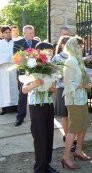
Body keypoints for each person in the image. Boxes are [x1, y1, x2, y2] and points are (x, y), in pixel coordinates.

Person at [22, 42, 59, 173]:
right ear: (41, 52)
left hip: (48, 103)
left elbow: (52, 88)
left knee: (49, 135)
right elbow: (24, 90)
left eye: (52, 51)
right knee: (40, 137)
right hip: (36, 105)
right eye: (49, 51)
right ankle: (39, 168)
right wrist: (35, 84)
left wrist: (52, 89)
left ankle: (46, 164)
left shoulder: (50, 67)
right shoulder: (30, 67)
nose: (52, 53)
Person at [61, 37, 92, 170]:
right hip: (74, 100)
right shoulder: (70, 61)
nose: (81, 48)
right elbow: (68, 84)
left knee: (83, 125)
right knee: (73, 129)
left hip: (82, 99)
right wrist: (85, 85)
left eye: (81, 46)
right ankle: (66, 158)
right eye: (79, 46)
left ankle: (78, 151)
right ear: (72, 47)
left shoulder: (79, 61)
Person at [13, 25, 39, 126]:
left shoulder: (37, 43)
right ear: (24, 34)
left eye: (33, 33)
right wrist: (29, 58)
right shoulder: (17, 43)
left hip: (36, 71)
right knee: (22, 94)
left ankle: (37, 115)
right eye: (30, 33)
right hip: (23, 73)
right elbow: (16, 58)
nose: (33, 35)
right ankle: (20, 116)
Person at [52, 36, 70, 142]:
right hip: (62, 88)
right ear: (62, 45)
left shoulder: (75, 57)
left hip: (74, 89)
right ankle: (66, 135)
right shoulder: (57, 58)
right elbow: (55, 75)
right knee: (65, 115)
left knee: (73, 115)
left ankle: (73, 136)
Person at [0, 26, 18, 115]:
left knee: (14, 86)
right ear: (2, 34)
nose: (8, 34)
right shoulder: (0, 43)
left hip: (13, 67)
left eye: (9, 32)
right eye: (6, 32)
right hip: (3, 68)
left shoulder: (15, 43)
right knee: (4, 88)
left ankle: (16, 105)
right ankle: (4, 107)